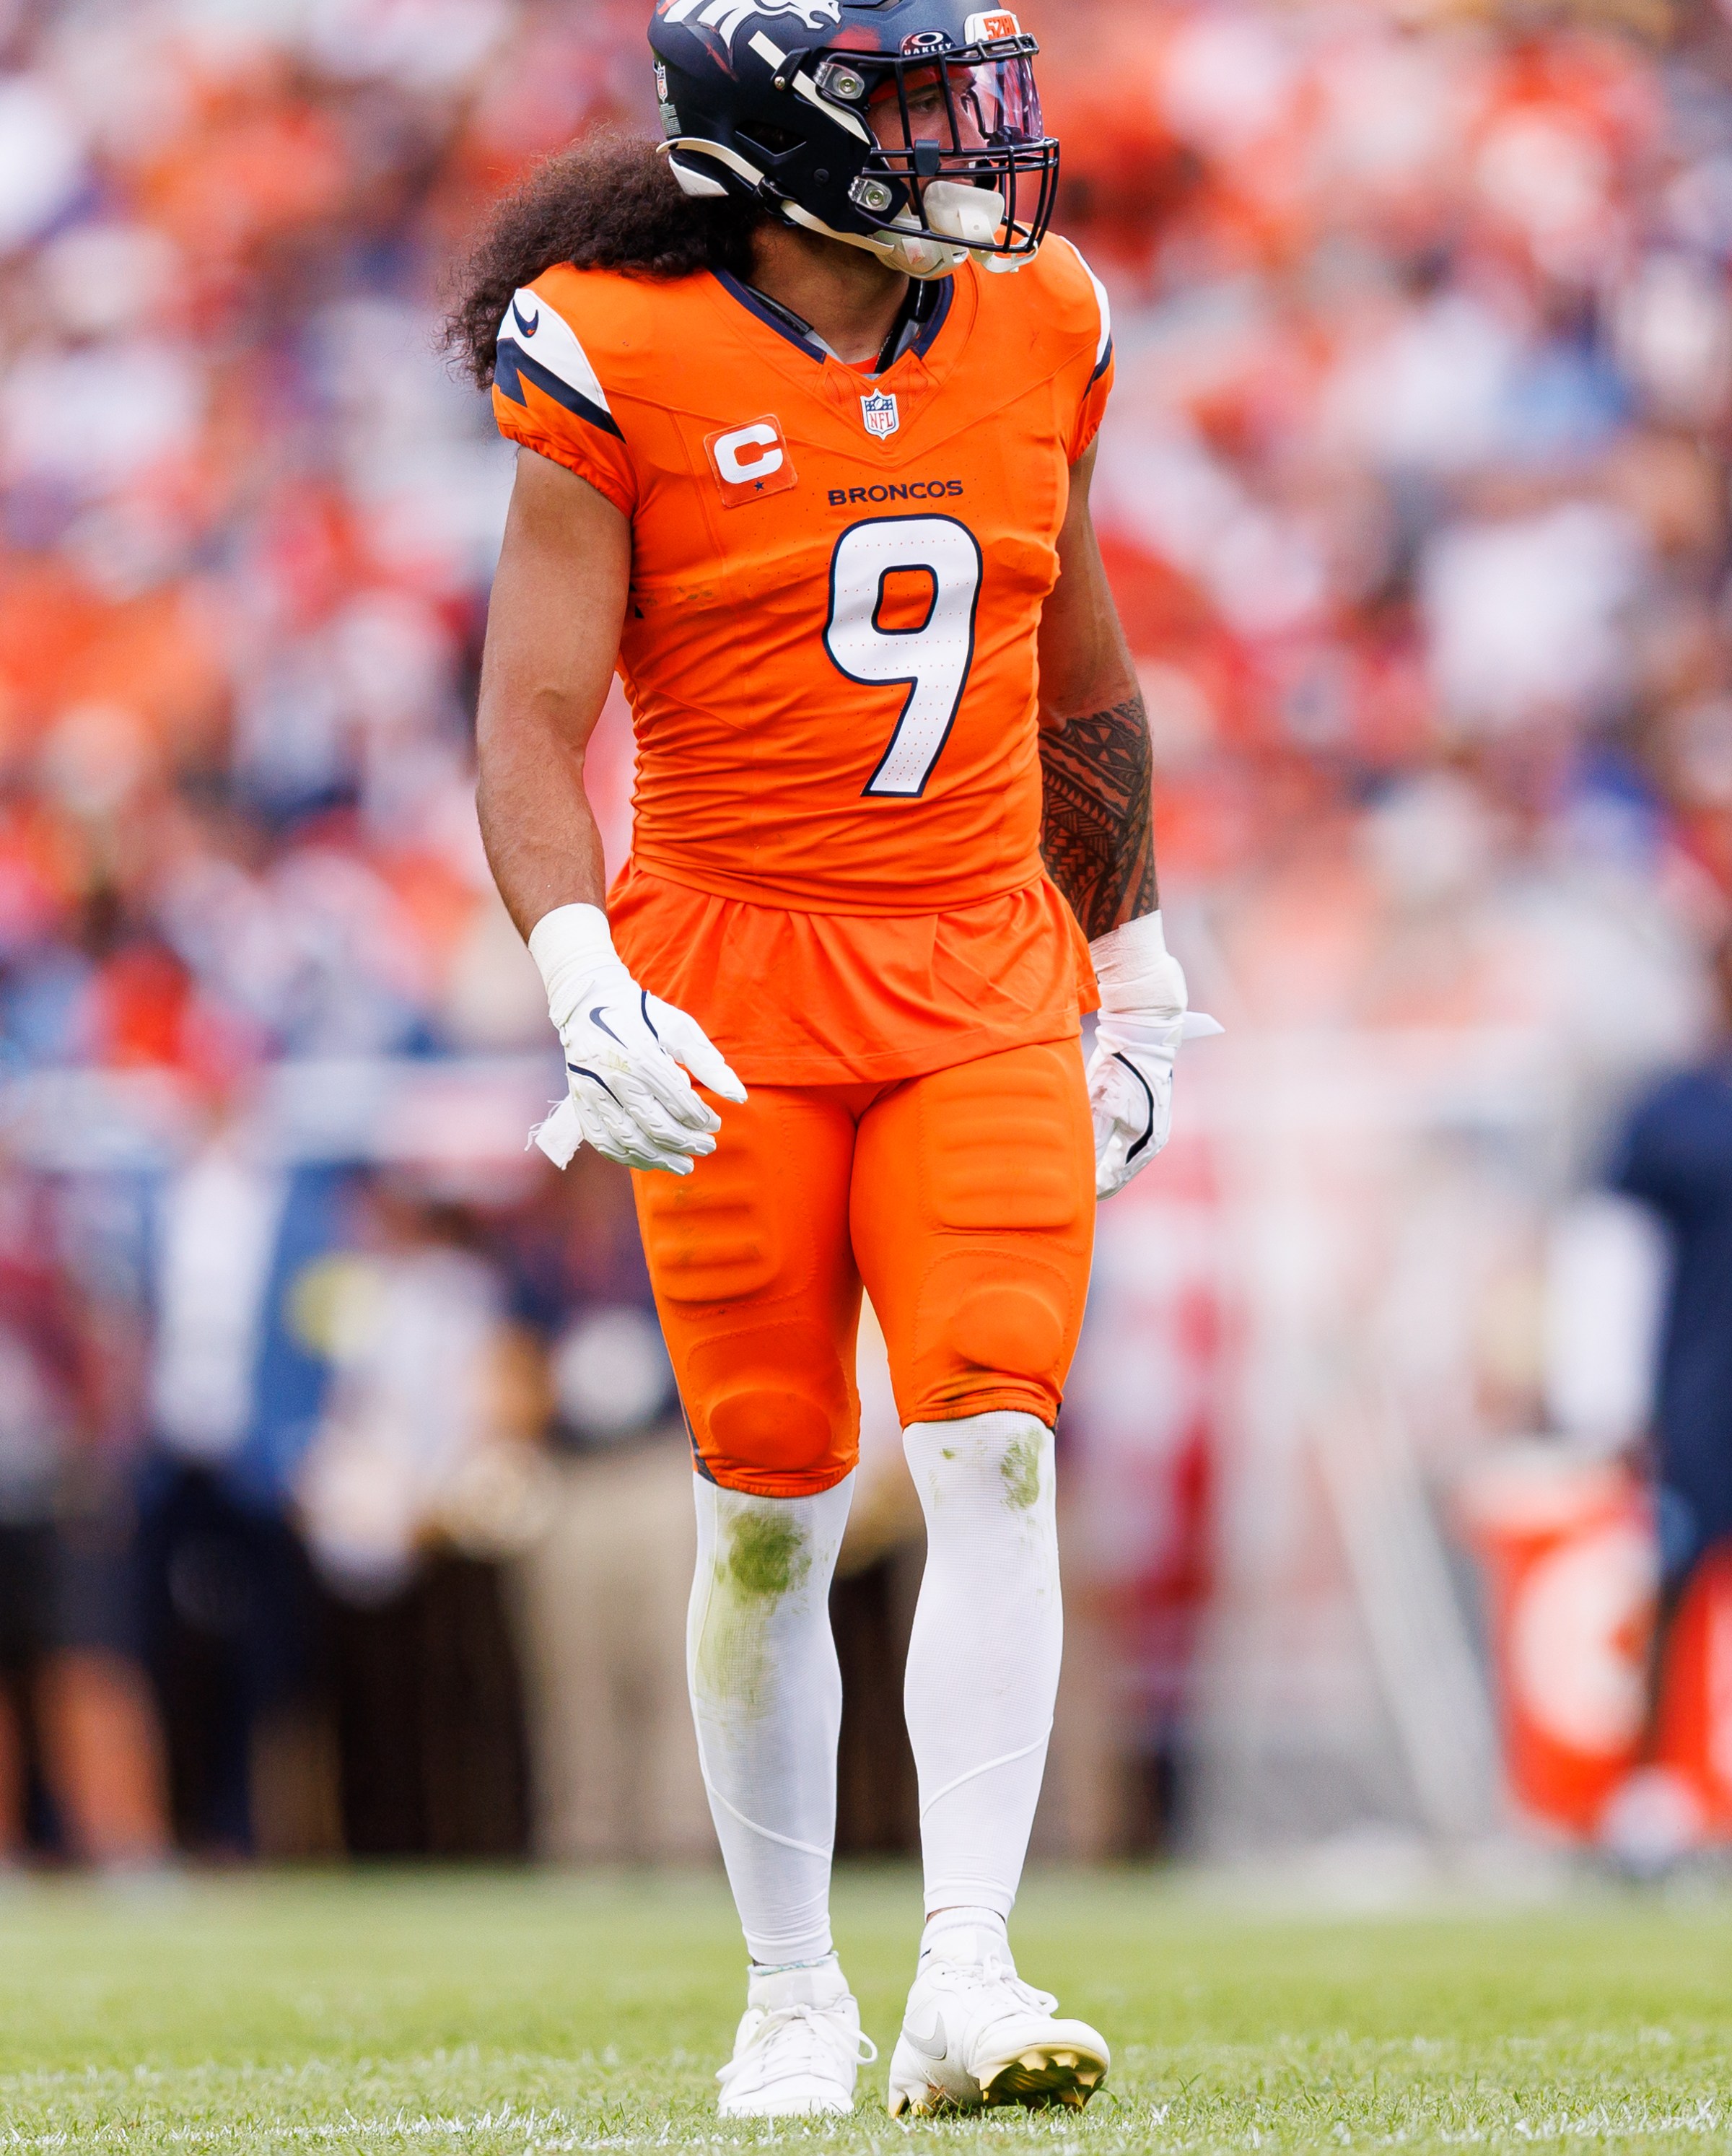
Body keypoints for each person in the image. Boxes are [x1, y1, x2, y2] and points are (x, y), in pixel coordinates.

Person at [451, 0, 1211, 2118]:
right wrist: (582, 973)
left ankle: (967, 1959)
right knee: (772, 1498)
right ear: (781, 131)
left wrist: (1135, 961)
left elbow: (1082, 671)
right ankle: (793, 1984)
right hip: (729, 984)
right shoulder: (614, 335)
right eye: (913, 103)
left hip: (979, 960)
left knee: (996, 1439)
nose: (972, 140)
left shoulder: (1040, 308)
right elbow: (527, 715)